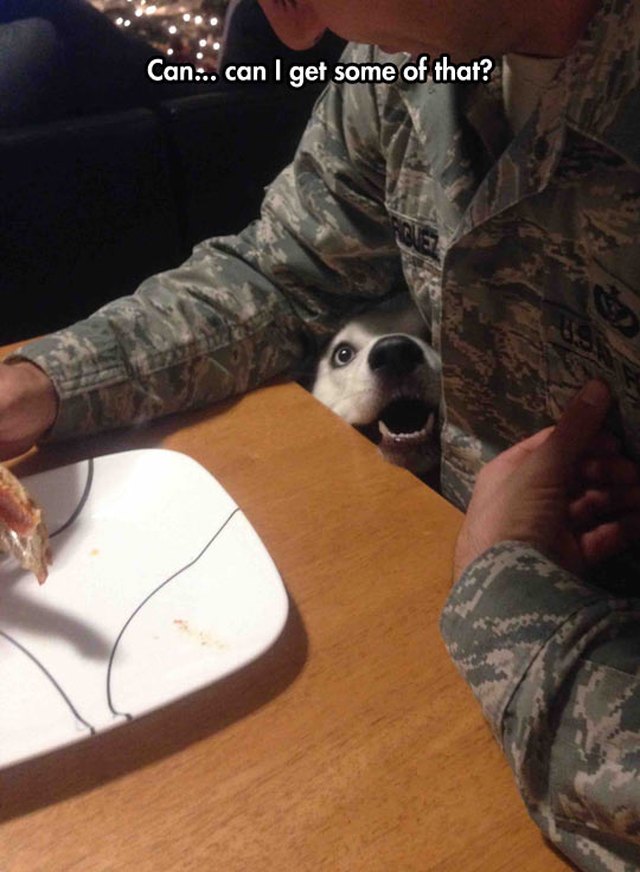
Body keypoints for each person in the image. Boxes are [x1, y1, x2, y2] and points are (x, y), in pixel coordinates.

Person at [1, 0, 640, 868]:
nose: (294, 34)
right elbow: (282, 273)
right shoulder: (413, 56)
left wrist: (503, 590)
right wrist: (41, 383)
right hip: (424, 601)